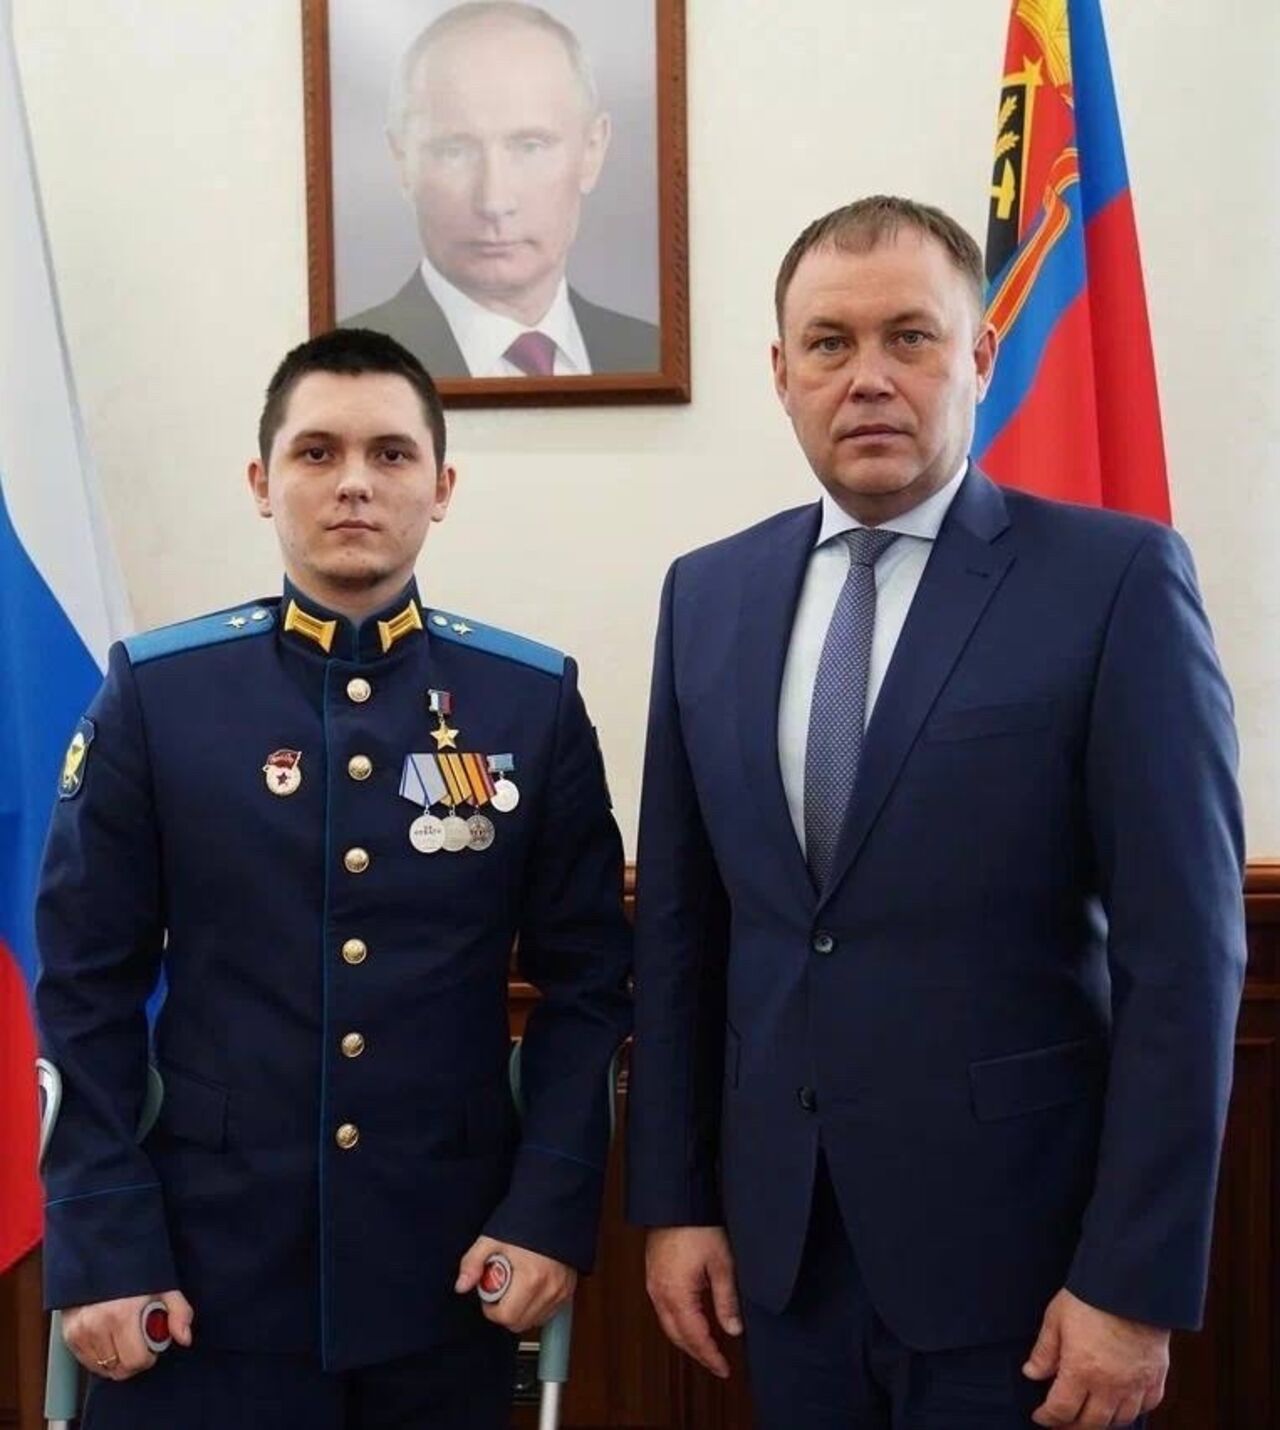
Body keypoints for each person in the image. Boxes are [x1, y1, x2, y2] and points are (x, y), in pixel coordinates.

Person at [626, 195, 1245, 1428]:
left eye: (908, 336)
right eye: (828, 343)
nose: (866, 376)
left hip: (1024, 1266)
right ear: (781, 373)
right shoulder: (706, 595)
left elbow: (1185, 955)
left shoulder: (1112, 580)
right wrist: (676, 1199)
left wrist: (1129, 1280)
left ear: (979, 356)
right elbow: (684, 933)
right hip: (782, 1256)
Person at [34, 327, 632, 1428]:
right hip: (200, 1277)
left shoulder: (529, 703)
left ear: (441, 487)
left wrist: (547, 1209)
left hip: (448, 1274)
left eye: (391, 454)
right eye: (316, 452)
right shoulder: (159, 698)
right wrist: (106, 1237)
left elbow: (589, 985)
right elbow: (84, 986)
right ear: (262, 482)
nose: (354, 481)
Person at [342, 1, 659, 379]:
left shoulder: (650, 353)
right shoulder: (347, 373)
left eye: (530, 147)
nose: (494, 201)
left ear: (592, 151)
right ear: (401, 160)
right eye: (454, 151)